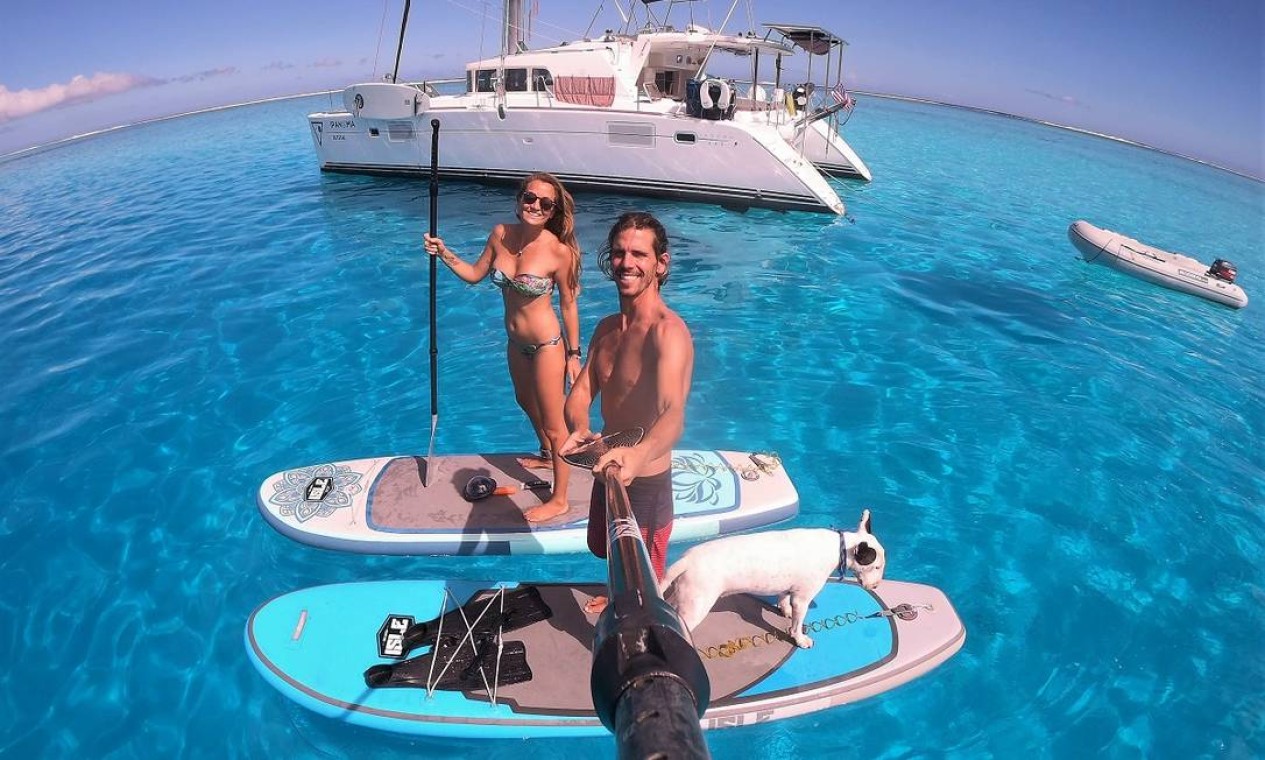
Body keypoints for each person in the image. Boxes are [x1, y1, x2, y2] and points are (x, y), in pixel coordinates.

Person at [423, 173, 582, 522]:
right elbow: (475, 273)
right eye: (530, 198)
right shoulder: (500, 235)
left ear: (553, 210)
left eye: (545, 203)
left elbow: (569, 304)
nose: (535, 206)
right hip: (515, 343)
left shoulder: (559, 252)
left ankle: (560, 499)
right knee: (524, 401)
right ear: (519, 199)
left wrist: (574, 354)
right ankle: (546, 453)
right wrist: (444, 252)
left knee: (556, 425)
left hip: (546, 346)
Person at [559, 211, 694, 614]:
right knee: (605, 551)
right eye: (619, 253)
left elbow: (674, 413)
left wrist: (639, 453)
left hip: (646, 481)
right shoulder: (605, 330)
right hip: (607, 467)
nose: (627, 263)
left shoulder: (668, 333)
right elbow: (582, 390)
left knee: (642, 581)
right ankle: (617, 595)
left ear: (660, 263)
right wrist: (579, 427)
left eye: (639, 253)